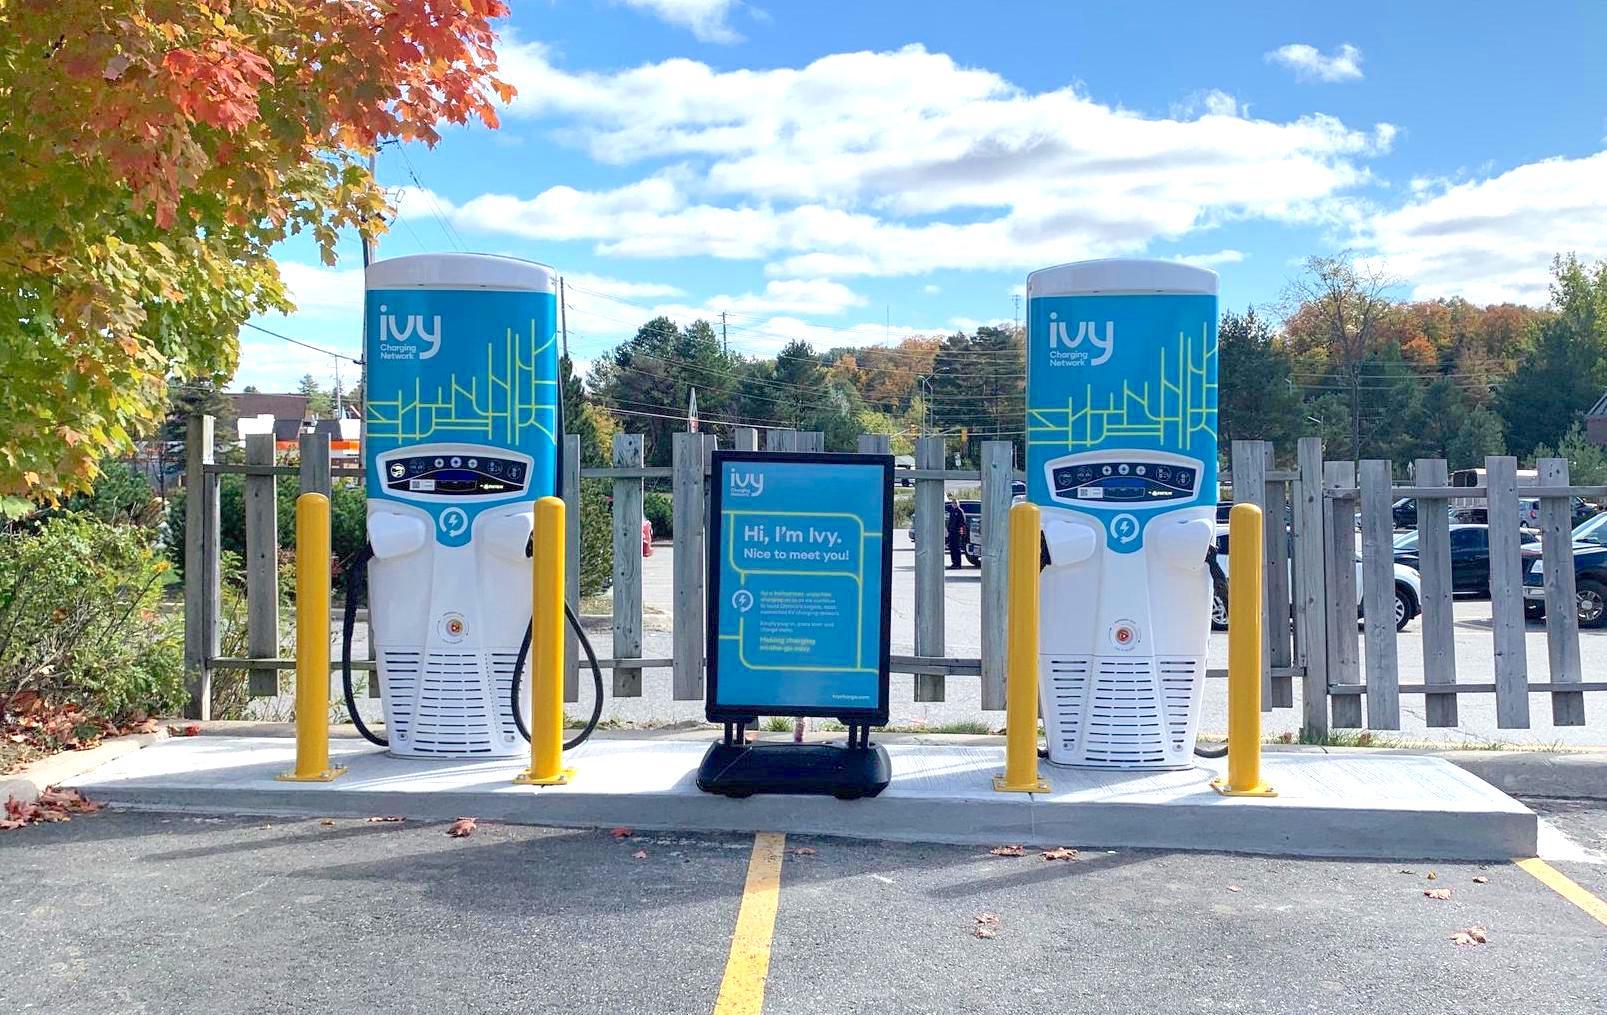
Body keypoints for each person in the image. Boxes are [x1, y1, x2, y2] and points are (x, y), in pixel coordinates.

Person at [945, 493, 968, 569]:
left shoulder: (960, 511)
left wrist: (960, 531)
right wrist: (948, 530)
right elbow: (950, 522)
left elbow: (963, 522)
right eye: (953, 503)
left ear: (958, 504)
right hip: (951, 532)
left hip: (957, 533)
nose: (954, 504)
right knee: (952, 548)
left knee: (957, 548)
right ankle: (954, 563)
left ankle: (958, 564)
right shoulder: (952, 511)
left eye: (955, 503)